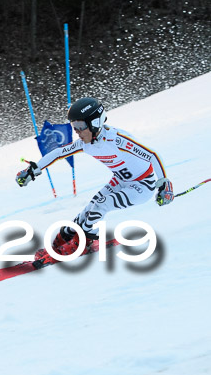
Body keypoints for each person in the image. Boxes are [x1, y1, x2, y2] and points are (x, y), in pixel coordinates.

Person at [16, 97, 174, 262]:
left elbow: (153, 155)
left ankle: (84, 241)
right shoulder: (86, 144)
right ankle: (62, 241)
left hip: (142, 186)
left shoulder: (117, 139)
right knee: (89, 208)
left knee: (101, 205)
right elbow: (58, 153)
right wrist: (33, 170)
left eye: (80, 126)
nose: (77, 131)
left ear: (95, 123)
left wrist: (165, 184)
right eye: (73, 126)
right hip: (120, 181)